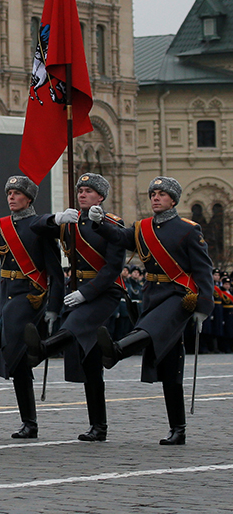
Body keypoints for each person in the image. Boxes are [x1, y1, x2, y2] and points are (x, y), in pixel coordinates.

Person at [93, 176, 213, 445]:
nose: (156, 198)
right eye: (153, 194)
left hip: (178, 295)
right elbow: (121, 237)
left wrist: (204, 305)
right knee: (170, 367)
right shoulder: (143, 228)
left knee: (151, 328)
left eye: (161, 194)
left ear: (173, 199)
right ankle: (178, 429)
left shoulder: (188, 229)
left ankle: (117, 350)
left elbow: (203, 269)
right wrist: (100, 222)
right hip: (153, 295)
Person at [25, 173, 125, 442]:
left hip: (104, 292)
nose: (82, 194)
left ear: (100, 197)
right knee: (90, 361)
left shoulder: (112, 224)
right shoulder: (70, 223)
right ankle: (98, 427)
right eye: (80, 190)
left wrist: (86, 293)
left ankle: (44, 348)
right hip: (77, 292)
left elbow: (114, 267)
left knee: (75, 325)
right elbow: (34, 226)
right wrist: (55, 219)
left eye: (89, 191)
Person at [0, 176, 64, 439]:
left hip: (29, 296)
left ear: (29, 198)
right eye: (9, 193)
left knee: (10, 345)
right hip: (5, 293)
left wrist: (54, 307)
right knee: (18, 361)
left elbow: (55, 273)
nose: (12, 197)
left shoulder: (40, 226)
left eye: (17, 193)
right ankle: (30, 423)